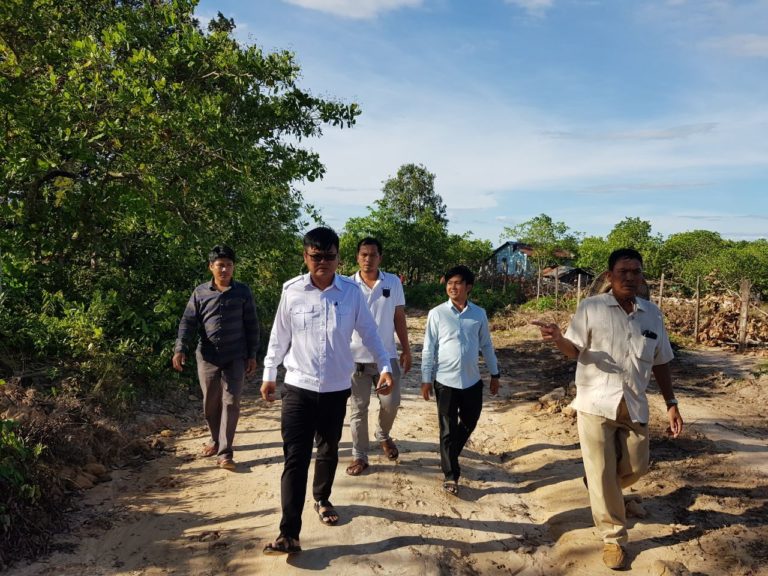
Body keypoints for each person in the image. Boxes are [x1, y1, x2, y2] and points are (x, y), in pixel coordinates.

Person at [532, 248, 684, 571]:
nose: (630, 277)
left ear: (642, 277)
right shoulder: (591, 308)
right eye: (623, 272)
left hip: (634, 404)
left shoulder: (652, 314)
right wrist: (557, 338)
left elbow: (661, 361)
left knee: (637, 466)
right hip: (595, 402)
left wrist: (671, 403)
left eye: (635, 271)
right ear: (609, 276)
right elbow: (573, 349)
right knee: (602, 472)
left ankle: (601, 486)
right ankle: (613, 538)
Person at [260, 226, 394, 555]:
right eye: (316, 256)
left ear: (338, 258)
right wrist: (269, 373)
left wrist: (385, 366)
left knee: (328, 449)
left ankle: (322, 498)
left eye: (329, 256)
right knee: (295, 457)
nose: (323, 262)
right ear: (306, 256)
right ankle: (289, 533)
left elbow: (371, 333)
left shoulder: (351, 292)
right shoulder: (292, 290)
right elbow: (279, 336)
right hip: (298, 386)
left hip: (335, 388)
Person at [172, 245, 259, 471]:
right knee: (210, 404)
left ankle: (225, 453)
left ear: (234, 267)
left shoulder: (243, 292)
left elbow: (251, 324)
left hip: (236, 356)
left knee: (231, 402)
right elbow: (188, 322)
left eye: (229, 265)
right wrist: (180, 348)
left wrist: (252, 355)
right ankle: (215, 439)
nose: (225, 269)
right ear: (211, 267)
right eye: (220, 265)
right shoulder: (200, 292)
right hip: (208, 356)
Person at [421, 265, 501, 496]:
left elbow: (486, 345)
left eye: (457, 283)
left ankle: (448, 455)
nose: (452, 287)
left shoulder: (479, 314)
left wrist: (495, 374)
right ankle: (451, 475)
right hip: (444, 381)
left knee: (469, 421)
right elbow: (428, 348)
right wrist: (426, 379)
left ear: (468, 287)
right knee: (447, 428)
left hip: (472, 381)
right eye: (449, 283)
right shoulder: (437, 313)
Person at [346, 237, 412, 476]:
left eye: (373, 255)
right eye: (363, 254)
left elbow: (399, 317)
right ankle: (359, 455)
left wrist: (406, 349)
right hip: (356, 358)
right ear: (357, 257)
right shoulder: (347, 285)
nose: (368, 259)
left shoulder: (392, 282)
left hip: (387, 356)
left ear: (380, 258)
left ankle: (383, 434)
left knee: (391, 403)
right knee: (358, 409)